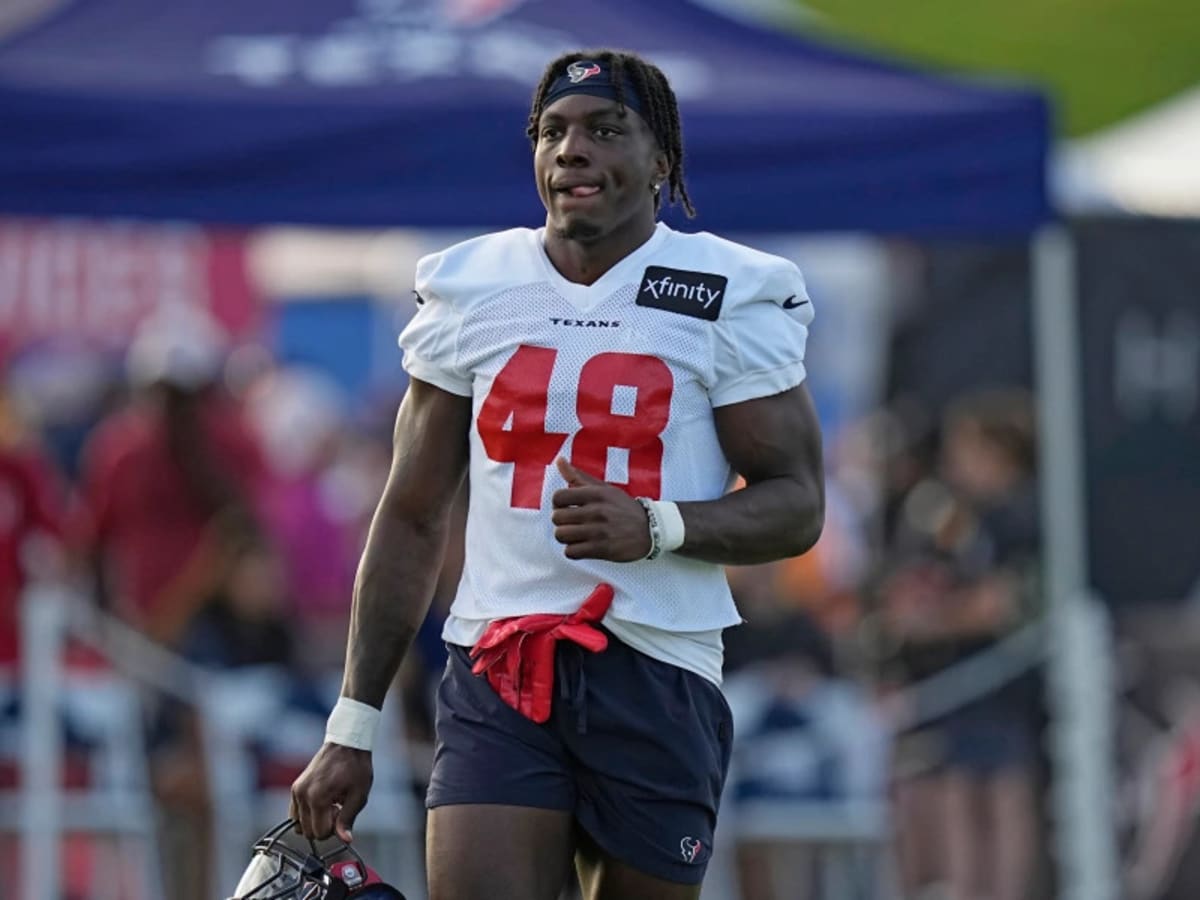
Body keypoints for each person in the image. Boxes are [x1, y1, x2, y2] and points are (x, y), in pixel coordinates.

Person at [290, 49, 825, 900]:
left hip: (659, 667)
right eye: (553, 131)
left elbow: (797, 506)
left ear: (662, 162)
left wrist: (659, 526)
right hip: (499, 663)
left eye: (605, 130)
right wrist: (352, 723)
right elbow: (412, 513)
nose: (571, 150)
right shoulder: (473, 286)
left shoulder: (728, 290)